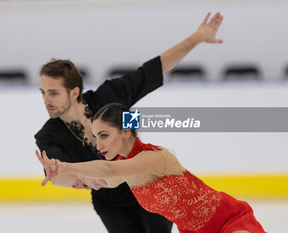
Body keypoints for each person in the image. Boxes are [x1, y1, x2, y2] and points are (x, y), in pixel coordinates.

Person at [35, 12, 224, 233]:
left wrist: (197, 37)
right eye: (43, 93)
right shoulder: (48, 135)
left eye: (53, 93)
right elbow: (58, 173)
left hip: (147, 182)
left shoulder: (109, 95)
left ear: (74, 92)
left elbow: (155, 69)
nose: (45, 100)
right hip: (109, 200)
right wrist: (82, 179)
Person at [36, 103, 266, 233]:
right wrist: (60, 172)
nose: (98, 145)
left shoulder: (155, 157)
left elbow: (108, 171)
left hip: (229, 219)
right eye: (96, 137)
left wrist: (65, 164)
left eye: (104, 135)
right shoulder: (124, 170)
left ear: (126, 131)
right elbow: (99, 178)